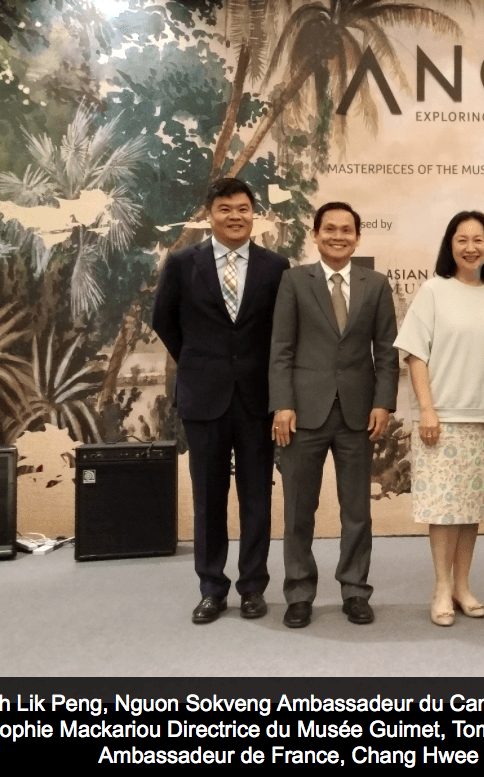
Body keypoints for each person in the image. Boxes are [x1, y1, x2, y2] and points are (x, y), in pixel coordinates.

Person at [151, 177, 288, 624]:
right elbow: (164, 322)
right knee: (208, 498)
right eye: (226, 208)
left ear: (254, 214)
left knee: (256, 498)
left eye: (243, 208)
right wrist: (198, 362)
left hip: (256, 399)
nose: (235, 216)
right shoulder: (181, 263)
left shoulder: (275, 266)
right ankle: (211, 588)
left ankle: (252, 587)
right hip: (203, 397)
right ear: (210, 213)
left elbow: (281, 333)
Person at [268, 202, 398, 628]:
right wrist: (282, 404)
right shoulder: (293, 281)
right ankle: (300, 592)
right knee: (298, 510)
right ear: (316, 234)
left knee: (357, 510)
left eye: (346, 230)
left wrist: (383, 403)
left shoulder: (375, 284)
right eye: (330, 229)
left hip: (358, 414)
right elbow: (281, 350)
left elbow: (387, 353)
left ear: (358, 236)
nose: (338, 236)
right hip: (303, 413)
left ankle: (356, 590)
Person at [395, 211, 484, 627]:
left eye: (478, 239)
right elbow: (414, 354)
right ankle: (440, 589)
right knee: (444, 511)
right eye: (462, 239)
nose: (470, 247)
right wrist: (426, 409)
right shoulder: (433, 291)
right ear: (450, 246)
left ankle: (463, 586)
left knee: (470, 511)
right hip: (442, 419)